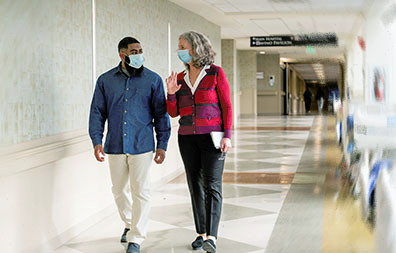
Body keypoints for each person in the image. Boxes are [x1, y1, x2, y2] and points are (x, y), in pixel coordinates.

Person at [89, 37, 171, 253]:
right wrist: (96, 140)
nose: (139, 54)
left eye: (141, 50)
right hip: (115, 144)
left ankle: (136, 237)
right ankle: (128, 223)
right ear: (122, 54)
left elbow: (161, 114)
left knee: (141, 191)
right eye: (134, 51)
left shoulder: (152, 80)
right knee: (118, 190)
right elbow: (97, 112)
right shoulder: (105, 80)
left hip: (142, 144)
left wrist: (162, 143)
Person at [166, 31, 232, 253]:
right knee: (194, 184)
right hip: (187, 138)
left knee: (212, 185)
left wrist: (228, 136)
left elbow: (227, 107)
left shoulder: (215, 74)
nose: (179, 51)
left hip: (213, 137)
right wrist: (171, 93)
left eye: (182, 46)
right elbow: (174, 113)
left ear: (195, 49)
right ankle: (201, 233)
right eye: (179, 46)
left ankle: (211, 237)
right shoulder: (180, 79)